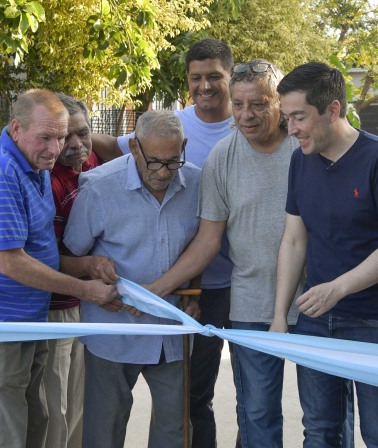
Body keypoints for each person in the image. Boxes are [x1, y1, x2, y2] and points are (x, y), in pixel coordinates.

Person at [0, 89, 122, 448]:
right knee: (3, 434)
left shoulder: (34, 162)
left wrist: (86, 265)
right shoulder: (2, 172)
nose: (56, 148)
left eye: (61, 137)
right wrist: (85, 288)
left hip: (28, 317)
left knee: (35, 425)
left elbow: (38, 251)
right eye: (46, 137)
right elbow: (12, 262)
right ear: (16, 128)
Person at [148, 59, 301, 448]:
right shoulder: (222, 156)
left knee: (324, 417)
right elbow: (207, 240)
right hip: (250, 306)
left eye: (259, 104)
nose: (246, 115)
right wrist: (158, 290)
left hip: (315, 302)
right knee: (257, 413)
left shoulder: (306, 146)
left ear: (279, 102)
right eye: (238, 104)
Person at [93, 37, 236, 447]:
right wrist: (71, 143)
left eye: (214, 77)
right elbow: (117, 150)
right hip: (189, 286)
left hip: (230, 282)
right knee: (190, 397)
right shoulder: (170, 128)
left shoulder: (247, 123)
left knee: (230, 395)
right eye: (196, 77)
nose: (204, 86)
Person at [272, 62, 378, 447]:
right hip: (316, 320)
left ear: (332, 110)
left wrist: (338, 288)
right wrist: (279, 316)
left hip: (375, 322)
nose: (291, 130)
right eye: (287, 118)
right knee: (319, 432)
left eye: (299, 117)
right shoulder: (300, 160)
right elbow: (294, 240)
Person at [64, 110, 201, 448]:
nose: (164, 172)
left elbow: (200, 247)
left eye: (173, 161)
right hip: (113, 331)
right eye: (154, 162)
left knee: (175, 432)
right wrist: (92, 267)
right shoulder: (98, 187)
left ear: (183, 147)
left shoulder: (198, 182)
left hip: (173, 330)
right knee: (103, 431)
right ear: (134, 148)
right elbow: (66, 258)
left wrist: (195, 297)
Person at [43, 93, 100, 448]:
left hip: (90, 306)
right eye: (66, 137)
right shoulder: (47, 180)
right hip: (55, 310)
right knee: (55, 407)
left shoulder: (93, 163)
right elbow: (44, 258)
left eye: (83, 133)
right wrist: (90, 268)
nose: (76, 145)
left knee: (83, 403)